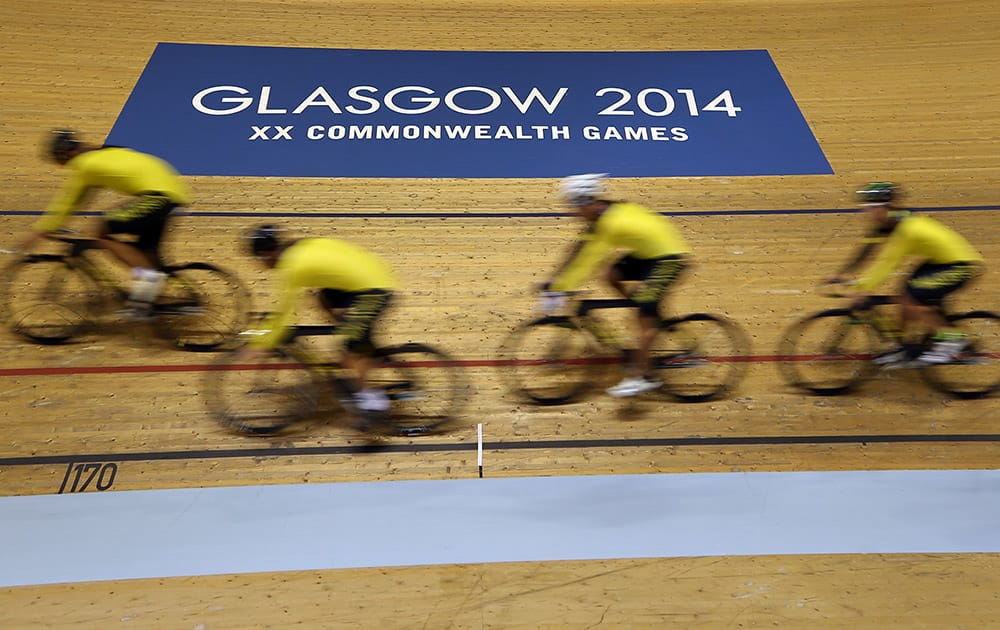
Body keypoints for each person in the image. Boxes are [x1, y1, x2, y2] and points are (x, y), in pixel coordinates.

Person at [541, 173, 691, 398]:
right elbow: (579, 248)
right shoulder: (604, 212)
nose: (572, 211)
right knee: (612, 275)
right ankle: (643, 306)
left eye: (574, 205)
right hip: (651, 254)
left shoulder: (610, 223)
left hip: (670, 259)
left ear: (587, 201)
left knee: (643, 318)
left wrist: (561, 288)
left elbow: (588, 261)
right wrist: (555, 281)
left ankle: (641, 377)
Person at [15, 129, 190, 317]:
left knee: (101, 230)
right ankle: (169, 301)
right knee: (147, 252)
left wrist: (41, 230)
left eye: (60, 161)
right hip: (173, 194)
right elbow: (82, 197)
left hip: (158, 198)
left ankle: (148, 280)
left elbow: (70, 201)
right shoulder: (101, 153)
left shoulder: (85, 165)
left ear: (64, 154)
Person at [242, 225, 400, 416]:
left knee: (349, 351)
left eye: (258, 259)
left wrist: (259, 343)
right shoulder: (295, 248)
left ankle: (371, 401)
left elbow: (284, 314)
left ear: (265, 254)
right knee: (323, 298)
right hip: (363, 277)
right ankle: (359, 339)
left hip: (373, 289)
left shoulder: (292, 267)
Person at [828, 182, 983, 366]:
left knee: (912, 299)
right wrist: (842, 273)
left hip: (961, 266)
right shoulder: (890, 221)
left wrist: (862, 288)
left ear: (882, 208)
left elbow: (887, 264)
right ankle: (906, 347)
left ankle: (954, 341)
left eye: (868, 209)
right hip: (940, 262)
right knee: (904, 294)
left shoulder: (905, 230)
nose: (865, 213)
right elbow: (866, 250)